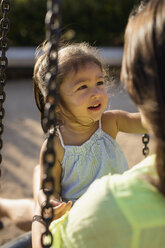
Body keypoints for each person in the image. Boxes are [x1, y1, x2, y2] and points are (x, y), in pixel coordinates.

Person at [32, 0, 165, 247]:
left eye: (100, 83)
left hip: (115, 209)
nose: (96, 93)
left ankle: (6, 208)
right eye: (82, 87)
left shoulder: (110, 122)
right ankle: (5, 207)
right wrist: (49, 201)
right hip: (81, 219)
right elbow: (48, 187)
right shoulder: (57, 145)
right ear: (55, 100)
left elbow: (146, 122)